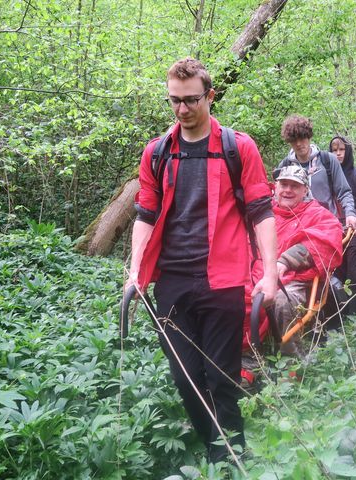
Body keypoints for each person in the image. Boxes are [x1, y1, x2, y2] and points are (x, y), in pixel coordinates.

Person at [126, 58, 278, 463]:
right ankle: (218, 447)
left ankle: (230, 457)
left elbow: (262, 210)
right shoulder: (157, 153)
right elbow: (145, 215)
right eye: (174, 101)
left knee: (222, 378)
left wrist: (272, 273)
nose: (182, 109)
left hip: (223, 280)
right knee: (186, 377)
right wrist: (134, 271)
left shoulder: (237, 147)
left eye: (191, 100)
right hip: (172, 281)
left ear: (209, 96)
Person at [271, 165, 343, 358]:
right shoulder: (263, 212)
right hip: (254, 273)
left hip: (295, 280)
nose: (287, 190)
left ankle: (290, 359)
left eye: (294, 186)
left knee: (281, 301)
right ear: (275, 187)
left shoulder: (318, 214)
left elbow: (326, 240)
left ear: (305, 190)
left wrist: (286, 261)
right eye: (283, 184)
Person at [276, 115, 356, 232]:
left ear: (309, 137)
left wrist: (350, 213)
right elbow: (277, 198)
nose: (299, 144)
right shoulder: (285, 165)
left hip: (327, 226)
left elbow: (344, 192)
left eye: (302, 138)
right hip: (295, 229)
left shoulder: (328, 160)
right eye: (294, 140)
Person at [328, 136, 356, 315]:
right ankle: (340, 315)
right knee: (337, 274)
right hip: (333, 232)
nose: (338, 153)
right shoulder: (327, 175)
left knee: (355, 274)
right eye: (334, 150)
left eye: (342, 150)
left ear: (348, 151)